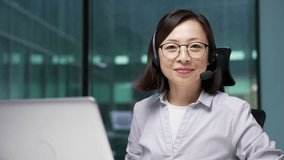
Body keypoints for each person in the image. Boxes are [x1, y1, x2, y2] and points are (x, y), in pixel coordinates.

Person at [125, 9, 283, 160]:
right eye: (171, 47)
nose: (184, 58)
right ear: (156, 57)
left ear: (210, 58)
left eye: (195, 46)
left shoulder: (234, 111)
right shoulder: (142, 111)